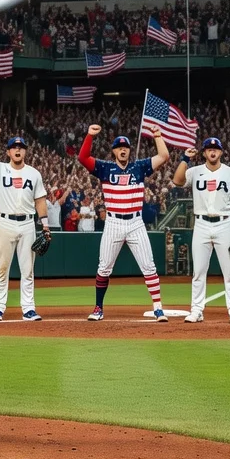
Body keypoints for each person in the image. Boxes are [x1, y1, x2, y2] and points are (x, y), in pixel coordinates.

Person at [76, 125, 171, 321]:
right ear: (114, 151)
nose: (123, 149)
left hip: (135, 222)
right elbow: (83, 158)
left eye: (125, 147)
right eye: (119, 147)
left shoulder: (140, 166)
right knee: (104, 267)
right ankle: (98, 308)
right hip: (113, 222)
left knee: (149, 266)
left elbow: (163, 156)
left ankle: (158, 308)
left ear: (129, 150)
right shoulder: (105, 168)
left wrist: (157, 135)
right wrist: (89, 136)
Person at [0, 127, 49, 321]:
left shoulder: (34, 173)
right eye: (14, 147)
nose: (18, 150)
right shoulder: (0, 169)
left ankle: (28, 308)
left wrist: (46, 225)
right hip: (6, 222)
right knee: (2, 268)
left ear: (25, 151)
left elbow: (40, 200)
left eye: (21, 147)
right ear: (8, 152)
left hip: (27, 224)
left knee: (28, 270)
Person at [171, 137, 230, 324]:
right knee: (198, 271)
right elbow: (177, 180)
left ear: (221, 152)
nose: (212, 152)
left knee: (229, 271)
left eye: (216, 149)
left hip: (223, 223)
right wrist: (185, 159)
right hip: (201, 224)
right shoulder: (195, 171)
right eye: (209, 149)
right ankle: (196, 310)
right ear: (204, 153)